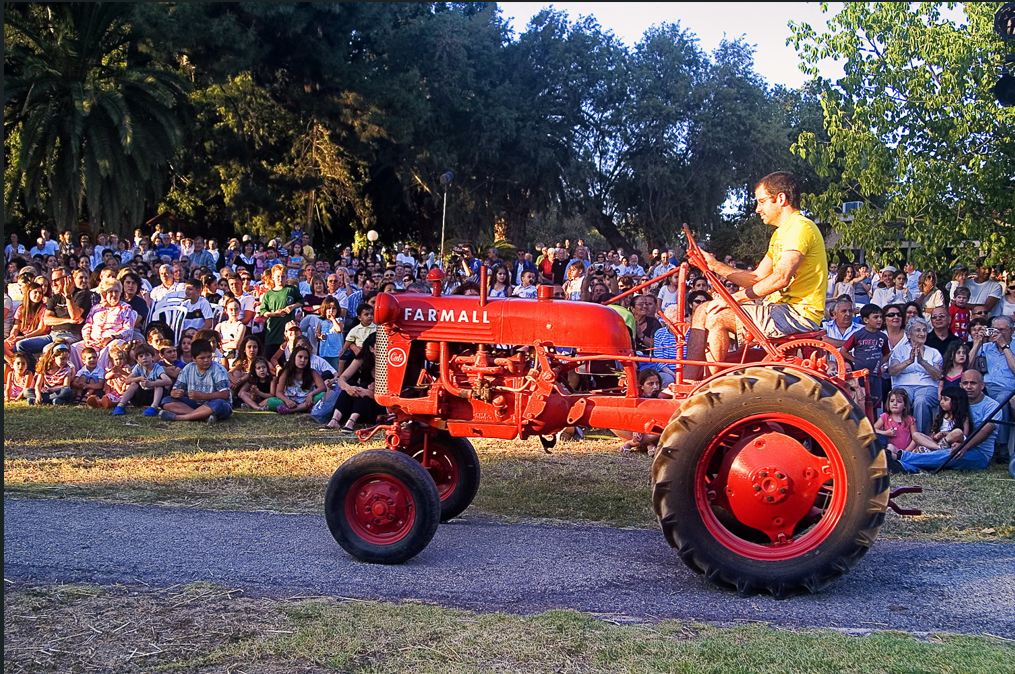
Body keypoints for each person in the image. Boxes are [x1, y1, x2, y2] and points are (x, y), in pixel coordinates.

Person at [689, 172, 827, 375]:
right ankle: (689, 383)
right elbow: (756, 278)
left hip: (797, 314)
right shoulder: (782, 233)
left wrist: (733, 299)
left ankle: (712, 390)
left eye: (762, 201)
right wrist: (714, 265)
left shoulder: (800, 228)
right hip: (782, 311)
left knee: (716, 315)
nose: (758, 208)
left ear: (781, 198)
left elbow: (781, 277)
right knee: (702, 310)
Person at [892, 369, 999, 472]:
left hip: (979, 453)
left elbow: (985, 432)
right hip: (948, 445)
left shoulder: (992, 406)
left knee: (949, 454)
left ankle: (899, 456)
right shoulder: (956, 405)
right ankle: (905, 466)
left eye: (973, 383)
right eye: (965, 383)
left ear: (982, 385)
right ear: (960, 385)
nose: (969, 387)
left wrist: (964, 446)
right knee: (941, 453)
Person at [969, 315, 1015, 463]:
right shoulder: (986, 347)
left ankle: (1001, 447)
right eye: (995, 330)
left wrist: (1004, 346)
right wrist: (977, 343)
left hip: (1006, 388)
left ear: (1011, 330)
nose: (998, 333)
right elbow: (968, 368)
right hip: (984, 386)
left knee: (1002, 400)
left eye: (1002, 330)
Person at [887, 317, 942, 434]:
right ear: (909, 334)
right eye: (918, 330)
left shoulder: (934, 352)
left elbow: (938, 375)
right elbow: (892, 371)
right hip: (903, 386)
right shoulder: (900, 351)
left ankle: (920, 437)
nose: (922, 333)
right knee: (902, 399)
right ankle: (901, 436)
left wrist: (922, 362)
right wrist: (909, 361)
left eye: (924, 330)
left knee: (921, 401)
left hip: (927, 387)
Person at [159, 338, 233, 423]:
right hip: (195, 403)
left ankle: (178, 417)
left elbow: (225, 394)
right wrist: (175, 393)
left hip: (214, 403)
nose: (206, 360)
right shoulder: (188, 368)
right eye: (202, 358)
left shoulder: (218, 369)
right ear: (194, 359)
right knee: (166, 400)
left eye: (209, 357)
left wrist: (202, 396)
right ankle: (204, 417)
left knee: (219, 404)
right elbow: (176, 389)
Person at [323, 333, 383, 432]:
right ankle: (335, 419)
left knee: (363, 385)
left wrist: (368, 392)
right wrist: (348, 388)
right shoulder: (363, 358)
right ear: (371, 349)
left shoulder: (391, 363)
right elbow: (342, 378)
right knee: (351, 383)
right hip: (361, 402)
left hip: (376, 405)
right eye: (380, 346)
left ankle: (351, 422)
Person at [841, 304, 890, 411]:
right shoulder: (858, 335)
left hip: (876, 376)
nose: (879, 320)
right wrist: (855, 361)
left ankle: (874, 425)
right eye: (875, 317)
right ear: (866, 320)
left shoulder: (883, 337)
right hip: (860, 375)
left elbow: (887, 354)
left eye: (881, 317)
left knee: (875, 404)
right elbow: (844, 350)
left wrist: (878, 363)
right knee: (862, 401)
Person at [257, 265, 303, 358]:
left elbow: (301, 301)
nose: (280, 279)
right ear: (273, 277)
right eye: (278, 276)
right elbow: (263, 311)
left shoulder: (291, 289)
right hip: (273, 331)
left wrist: (292, 306)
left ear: (286, 277)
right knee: (270, 357)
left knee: (287, 358)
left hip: (288, 331)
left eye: (283, 276)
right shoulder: (269, 294)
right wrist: (275, 314)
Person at [113, 344, 172, 416]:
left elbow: (168, 381)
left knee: (158, 384)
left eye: (147, 355)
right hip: (141, 396)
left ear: (152, 357)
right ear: (137, 360)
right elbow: (127, 380)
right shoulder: (138, 367)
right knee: (134, 384)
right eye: (141, 356)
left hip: (154, 396)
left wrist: (151, 383)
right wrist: (139, 378)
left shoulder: (157, 368)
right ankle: (120, 405)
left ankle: (153, 407)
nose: (144, 358)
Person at [616, 369, 666, 453]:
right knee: (614, 423)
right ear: (641, 386)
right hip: (635, 429)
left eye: (657, 383)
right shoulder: (635, 397)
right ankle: (648, 444)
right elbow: (629, 415)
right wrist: (636, 428)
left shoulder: (662, 398)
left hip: (651, 430)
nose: (655, 386)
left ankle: (630, 443)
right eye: (650, 384)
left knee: (660, 430)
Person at [267, 345, 325, 414]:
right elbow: (279, 392)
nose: (303, 360)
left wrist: (311, 395)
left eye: (306, 358)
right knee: (271, 401)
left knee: (323, 395)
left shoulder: (312, 372)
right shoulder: (286, 372)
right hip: (290, 401)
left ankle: (290, 411)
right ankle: (304, 408)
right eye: (300, 357)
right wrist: (287, 401)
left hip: (307, 400)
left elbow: (322, 387)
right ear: (294, 357)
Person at [918, 385, 972, 451]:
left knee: (958, 432)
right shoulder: (939, 415)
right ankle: (937, 447)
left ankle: (935, 448)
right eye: (941, 399)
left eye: (945, 400)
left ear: (956, 402)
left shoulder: (963, 417)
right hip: (938, 442)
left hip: (953, 442)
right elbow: (932, 433)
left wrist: (944, 433)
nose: (941, 402)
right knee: (916, 435)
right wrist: (935, 436)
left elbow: (964, 436)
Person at [874, 388, 918, 454]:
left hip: (906, 453)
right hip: (890, 453)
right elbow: (873, 430)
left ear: (905, 406)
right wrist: (885, 433)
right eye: (892, 401)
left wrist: (905, 452)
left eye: (899, 401)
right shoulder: (885, 417)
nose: (895, 404)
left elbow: (915, 438)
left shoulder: (910, 420)